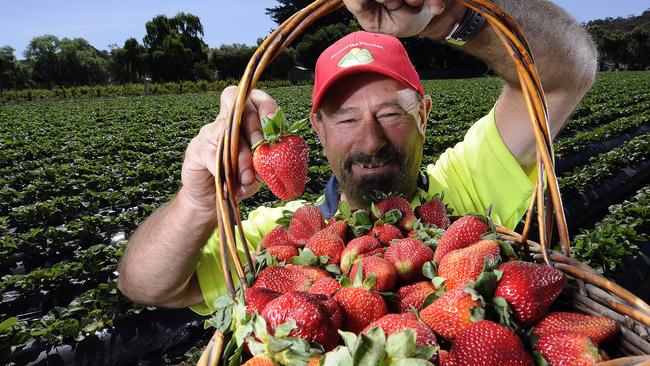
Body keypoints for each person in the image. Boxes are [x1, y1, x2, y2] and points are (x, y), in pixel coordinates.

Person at [118, 0, 597, 315]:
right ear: (317, 130)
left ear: (424, 114)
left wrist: (449, 14)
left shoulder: (468, 182)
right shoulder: (279, 237)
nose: (370, 140)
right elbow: (147, 286)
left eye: (390, 112)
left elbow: (564, 75)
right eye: (346, 119)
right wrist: (199, 203)